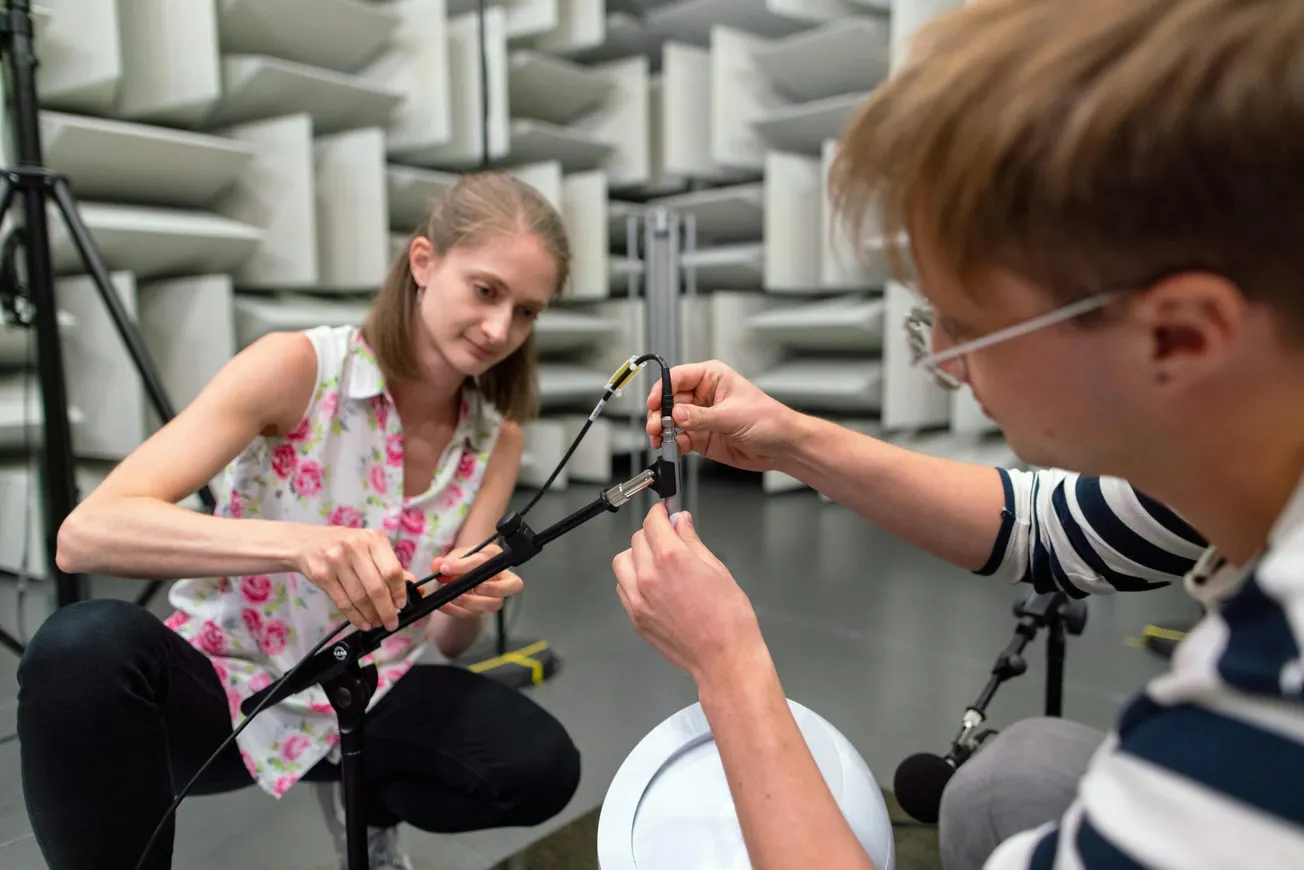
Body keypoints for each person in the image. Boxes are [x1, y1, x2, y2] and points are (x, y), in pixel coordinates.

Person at [610, 1, 1304, 868]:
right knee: (1015, 780)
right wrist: (790, 438)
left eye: (969, 325)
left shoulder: (1268, 713)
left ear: (1180, 335)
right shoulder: (1252, 435)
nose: (943, 361)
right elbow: (1056, 527)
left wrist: (728, 666)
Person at [16, 172, 582, 870]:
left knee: (538, 766)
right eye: (486, 291)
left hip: (368, 690)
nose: (501, 329)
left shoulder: (497, 440)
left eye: (526, 311)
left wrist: (465, 601)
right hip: (233, 684)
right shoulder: (297, 367)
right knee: (81, 648)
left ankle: (364, 798)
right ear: (424, 262)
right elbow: (86, 535)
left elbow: (450, 638)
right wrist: (299, 545)